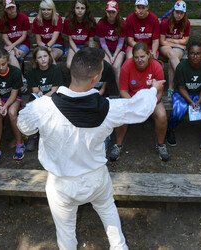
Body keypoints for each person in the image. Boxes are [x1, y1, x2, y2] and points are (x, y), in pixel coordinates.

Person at [17, 47, 165, 249]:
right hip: (95, 178)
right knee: (107, 210)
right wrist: (153, 88)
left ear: (72, 72)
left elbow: (24, 125)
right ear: (96, 78)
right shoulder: (110, 108)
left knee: (65, 233)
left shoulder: (43, 107)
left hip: (61, 183)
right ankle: (119, 246)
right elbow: (139, 108)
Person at [109, 42, 170, 162]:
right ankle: (118, 145)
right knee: (120, 114)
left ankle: (161, 145)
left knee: (162, 115)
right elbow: (123, 91)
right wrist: (134, 104)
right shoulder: (127, 66)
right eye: (136, 57)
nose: (139, 60)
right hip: (131, 99)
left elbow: (159, 92)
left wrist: (148, 104)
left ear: (148, 55)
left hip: (152, 100)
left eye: (142, 56)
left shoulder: (156, 66)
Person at [166, 41, 201, 150]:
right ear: (187, 55)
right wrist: (190, 101)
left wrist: (198, 102)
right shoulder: (181, 67)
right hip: (183, 93)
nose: (195, 56)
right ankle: (170, 130)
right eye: (192, 53)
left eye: (198, 53)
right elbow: (181, 88)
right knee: (178, 111)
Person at [0, 47, 25, 165]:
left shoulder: (16, 72)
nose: (1, 67)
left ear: (8, 61)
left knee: (12, 113)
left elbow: (14, 94)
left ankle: (20, 143)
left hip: (12, 98)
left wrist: (6, 106)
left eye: (3, 64)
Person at [26, 46, 64, 151]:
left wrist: (44, 98)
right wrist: (39, 93)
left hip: (52, 96)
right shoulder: (32, 71)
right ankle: (32, 136)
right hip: (38, 97)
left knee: (52, 109)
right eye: (40, 57)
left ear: (49, 57)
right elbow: (34, 89)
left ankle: (51, 137)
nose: (43, 59)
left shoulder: (55, 69)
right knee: (31, 109)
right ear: (35, 60)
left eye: (45, 56)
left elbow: (54, 89)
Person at [0, 0, 30, 92]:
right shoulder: (2, 20)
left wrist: (14, 47)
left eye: (13, 7)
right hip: (9, 45)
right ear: (5, 9)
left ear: (15, 6)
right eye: (9, 8)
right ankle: (22, 80)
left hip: (23, 44)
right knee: (11, 56)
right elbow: (5, 38)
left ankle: (16, 81)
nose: (11, 10)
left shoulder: (23, 17)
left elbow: (24, 36)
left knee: (12, 57)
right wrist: (14, 48)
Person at [159, 0, 190, 97]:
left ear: (184, 14)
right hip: (165, 47)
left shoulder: (186, 23)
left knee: (171, 61)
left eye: (181, 13)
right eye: (177, 12)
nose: (179, 15)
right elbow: (162, 41)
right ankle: (184, 79)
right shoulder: (165, 22)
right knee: (172, 54)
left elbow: (185, 41)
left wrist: (171, 40)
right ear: (173, 11)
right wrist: (179, 43)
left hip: (175, 46)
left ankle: (170, 89)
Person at [96, 0, 127, 88]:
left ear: (117, 12)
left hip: (119, 49)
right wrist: (110, 56)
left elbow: (121, 43)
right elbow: (102, 43)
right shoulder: (101, 24)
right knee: (106, 66)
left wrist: (115, 55)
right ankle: (103, 91)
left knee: (116, 67)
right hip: (106, 49)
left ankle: (122, 92)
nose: (111, 14)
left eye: (113, 12)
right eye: (109, 12)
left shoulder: (122, 24)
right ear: (106, 12)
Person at [63, 0, 96, 69]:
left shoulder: (91, 21)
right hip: (73, 46)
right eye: (77, 8)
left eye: (82, 8)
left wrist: (86, 52)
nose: (80, 10)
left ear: (86, 10)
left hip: (86, 46)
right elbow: (70, 40)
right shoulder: (68, 21)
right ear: (74, 9)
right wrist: (77, 51)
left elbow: (91, 40)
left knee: (88, 65)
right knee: (69, 65)